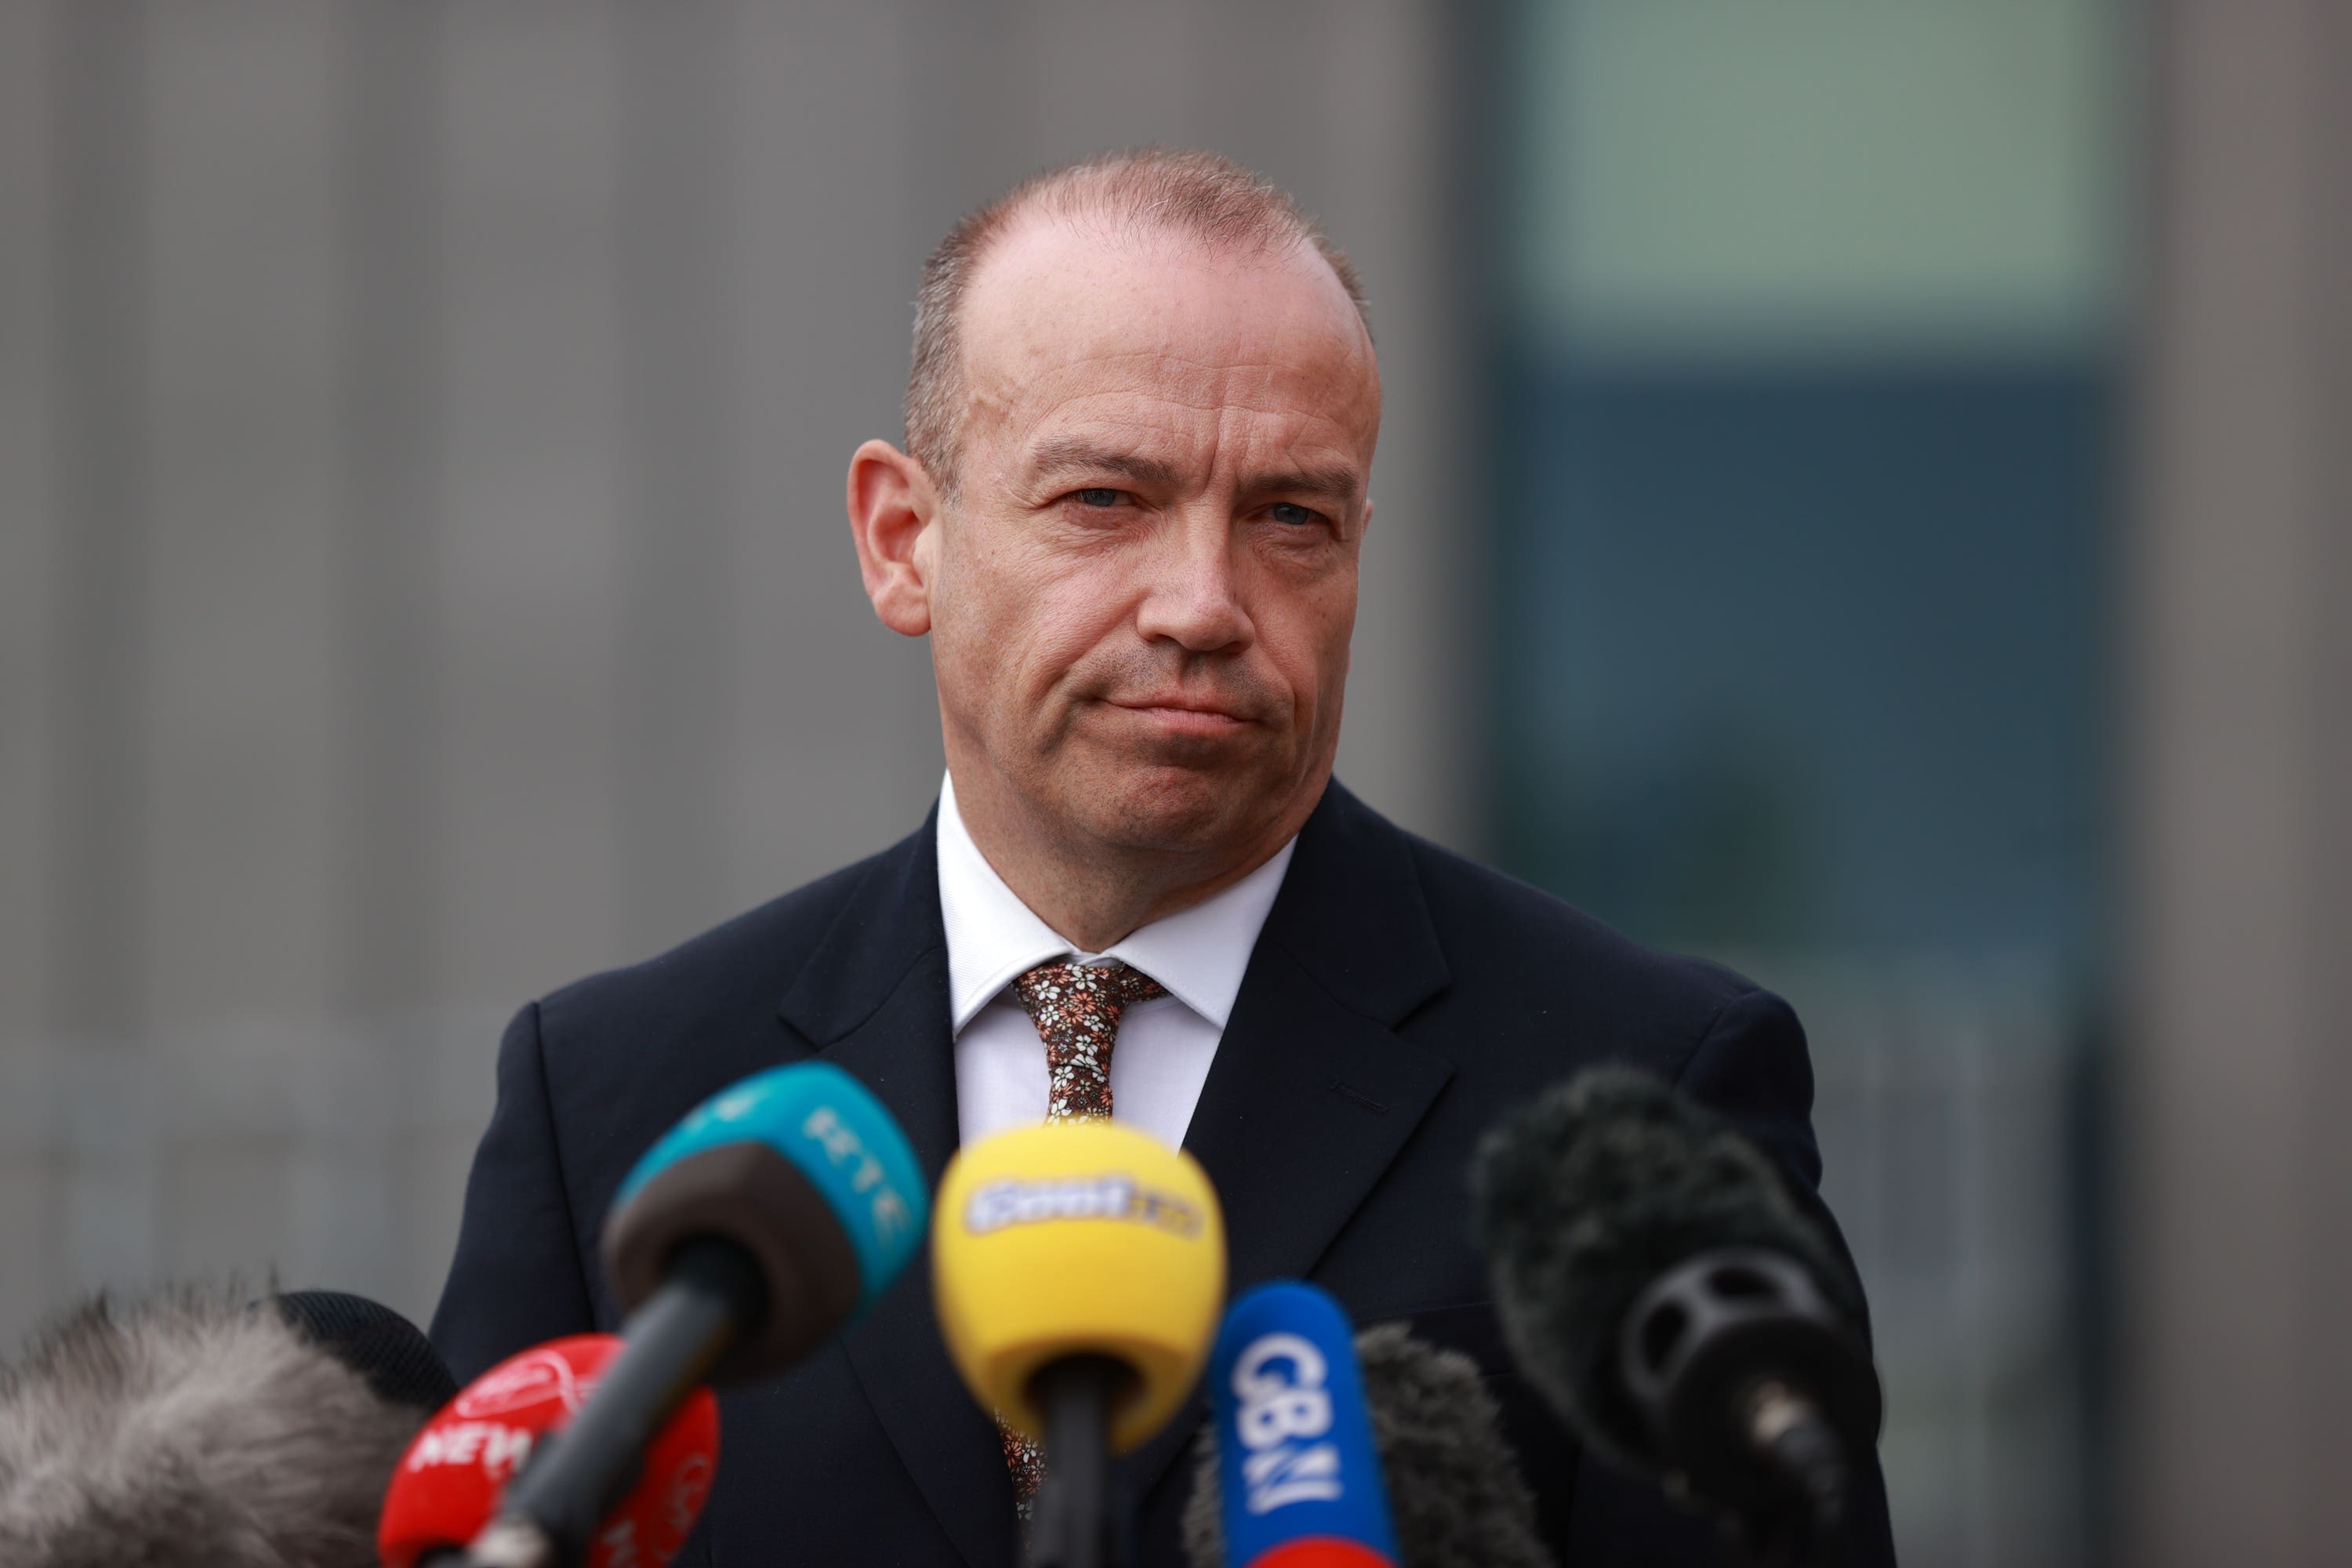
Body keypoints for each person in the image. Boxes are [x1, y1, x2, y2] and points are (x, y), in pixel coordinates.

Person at [430, 149, 1896, 1568]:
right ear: (903, 541)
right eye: (1105, 502)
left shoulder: (1642, 1095)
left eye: (1290, 518)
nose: (1202, 602)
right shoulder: (618, 1100)